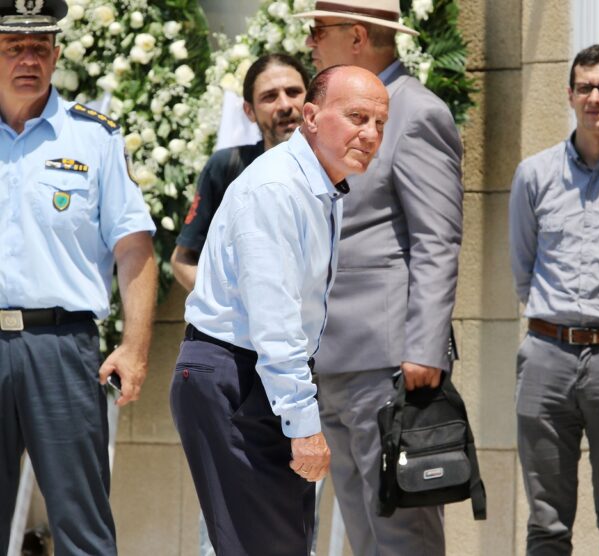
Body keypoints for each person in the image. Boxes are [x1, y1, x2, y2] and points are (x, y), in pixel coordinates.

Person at [169, 65, 389, 556]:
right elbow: (275, 318)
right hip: (235, 376)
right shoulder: (277, 188)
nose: (370, 134)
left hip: (254, 377)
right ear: (311, 116)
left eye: (380, 122)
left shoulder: (317, 185)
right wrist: (302, 423)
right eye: (357, 117)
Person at [293, 2, 464, 554]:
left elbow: (437, 239)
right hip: (332, 357)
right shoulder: (338, 113)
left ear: (358, 37)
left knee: (402, 532)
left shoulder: (416, 112)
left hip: (389, 362)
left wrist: (425, 348)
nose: (311, 43)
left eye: (318, 30)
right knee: (364, 533)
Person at [0, 1, 158, 554]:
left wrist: (135, 349)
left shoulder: (94, 137)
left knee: (82, 527)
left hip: (62, 347)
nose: (28, 59)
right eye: (13, 47)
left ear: (57, 54)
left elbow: (134, 247)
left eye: (39, 47)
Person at [508, 44, 599, 555]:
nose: (595, 98)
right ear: (569, 95)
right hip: (547, 356)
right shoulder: (534, 174)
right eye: (585, 87)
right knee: (546, 522)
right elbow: (523, 267)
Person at [171, 53, 310, 291]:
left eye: (293, 92)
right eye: (269, 96)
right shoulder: (227, 166)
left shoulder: (336, 168)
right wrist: (228, 304)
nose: (285, 105)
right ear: (249, 111)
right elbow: (182, 259)